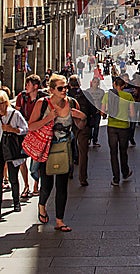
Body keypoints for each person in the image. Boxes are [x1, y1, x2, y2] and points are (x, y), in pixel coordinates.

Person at [29, 74, 86, 232]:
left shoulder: (72, 102)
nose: (64, 90)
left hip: (64, 149)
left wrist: (82, 117)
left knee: (62, 186)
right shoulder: (42, 103)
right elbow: (31, 126)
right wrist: (48, 118)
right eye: (60, 88)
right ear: (51, 90)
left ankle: (60, 221)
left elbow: (80, 125)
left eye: (66, 87)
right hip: (46, 149)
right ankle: (42, 206)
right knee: (47, 185)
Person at [15, 74, 49, 198]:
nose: (25, 87)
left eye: (28, 84)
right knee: (21, 159)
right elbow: (17, 113)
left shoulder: (44, 98)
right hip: (24, 132)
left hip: (38, 133)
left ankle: (36, 184)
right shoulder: (22, 97)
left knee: (36, 161)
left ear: (35, 86)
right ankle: (26, 186)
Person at [101, 77, 134, 186]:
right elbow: (133, 114)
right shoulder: (128, 96)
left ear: (114, 84)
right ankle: (125, 172)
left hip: (111, 126)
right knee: (123, 151)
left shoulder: (107, 95)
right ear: (124, 86)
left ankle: (116, 178)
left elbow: (102, 112)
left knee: (113, 152)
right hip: (124, 127)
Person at [0, 90, 28, 218]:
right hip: (0, 148)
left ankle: (16, 202)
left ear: (5, 102)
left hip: (11, 148)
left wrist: (12, 129)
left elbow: (25, 129)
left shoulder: (14, 114)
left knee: (13, 177)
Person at [67, 75, 93, 186]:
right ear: (79, 83)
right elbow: (92, 110)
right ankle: (83, 178)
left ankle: (69, 172)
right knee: (83, 153)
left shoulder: (66, 96)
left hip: (68, 125)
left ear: (69, 84)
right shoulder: (86, 95)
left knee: (69, 150)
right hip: (83, 125)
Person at [85, 78, 105, 146]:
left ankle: (95, 140)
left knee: (96, 126)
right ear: (91, 82)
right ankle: (88, 139)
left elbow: (103, 102)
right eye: (94, 82)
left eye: (97, 82)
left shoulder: (101, 92)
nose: (95, 83)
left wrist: (103, 111)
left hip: (97, 111)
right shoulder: (87, 91)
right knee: (89, 126)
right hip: (90, 112)